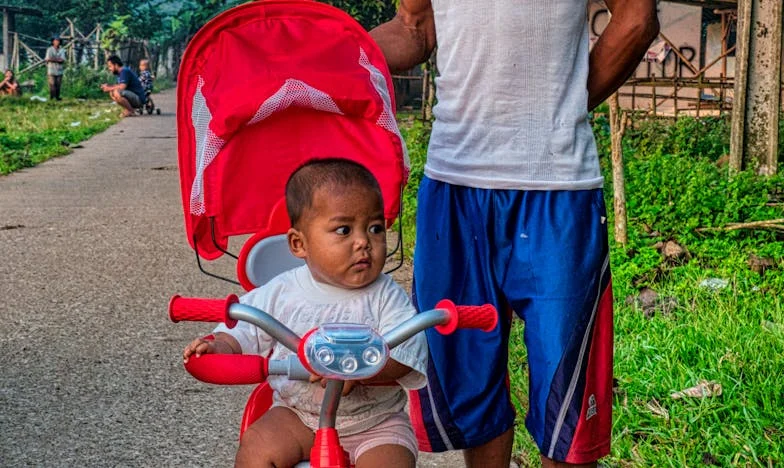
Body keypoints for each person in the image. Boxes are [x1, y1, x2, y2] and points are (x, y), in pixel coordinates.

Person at [370, 2, 659, 468]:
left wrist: (563, 108)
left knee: (567, 397)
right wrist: (335, 51)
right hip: (455, 181)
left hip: (558, 186)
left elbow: (636, 19)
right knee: (471, 386)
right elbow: (415, 29)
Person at [182, 159, 428, 468]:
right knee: (257, 446)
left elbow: (408, 351)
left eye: (375, 228)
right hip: (298, 416)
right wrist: (219, 345)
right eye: (344, 229)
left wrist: (366, 368)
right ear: (300, 244)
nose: (364, 241)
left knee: (390, 461)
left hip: (375, 423)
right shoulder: (281, 292)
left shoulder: (385, 295)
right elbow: (244, 325)